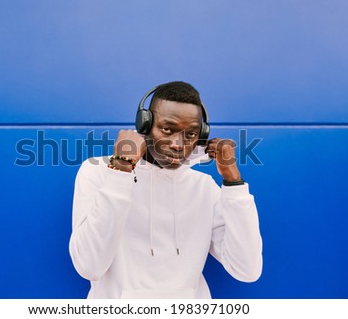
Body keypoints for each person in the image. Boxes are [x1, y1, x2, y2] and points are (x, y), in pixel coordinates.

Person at [69, 81, 262, 298]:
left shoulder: (204, 188)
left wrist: (233, 182)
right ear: (145, 125)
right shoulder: (100, 172)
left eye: (190, 134)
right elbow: (88, 265)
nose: (178, 144)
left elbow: (247, 270)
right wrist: (121, 169)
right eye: (167, 129)